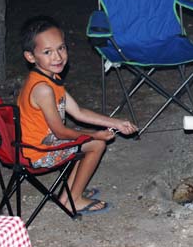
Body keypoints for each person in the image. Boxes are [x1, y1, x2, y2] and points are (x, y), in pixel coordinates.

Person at [17, 16, 138, 214]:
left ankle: (67, 196)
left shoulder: (50, 79)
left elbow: (78, 112)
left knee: (86, 140)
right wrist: (95, 135)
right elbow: (61, 132)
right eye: (47, 52)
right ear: (31, 57)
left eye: (61, 48)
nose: (57, 57)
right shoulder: (42, 89)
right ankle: (74, 198)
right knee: (96, 144)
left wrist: (116, 123)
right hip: (38, 153)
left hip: (42, 145)